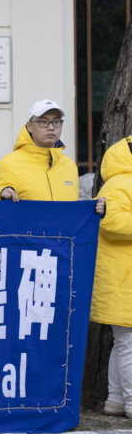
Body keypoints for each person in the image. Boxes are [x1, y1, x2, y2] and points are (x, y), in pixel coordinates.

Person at [92, 138, 132, 417]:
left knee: (124, 342)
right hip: (122, 279)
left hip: (122, 278)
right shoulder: (119, 184)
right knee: (128, 343)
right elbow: (111, 222)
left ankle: (116, 400)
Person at [0, 99, 82, 203]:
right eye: (43, 122)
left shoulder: (69, 165)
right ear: (29, 127)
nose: (51, 127)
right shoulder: (9, 164)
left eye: (56, 122)